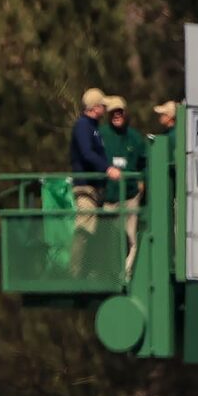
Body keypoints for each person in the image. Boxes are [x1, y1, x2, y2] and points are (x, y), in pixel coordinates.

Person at [69, 87, 119, 268]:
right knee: (84, 229)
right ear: (95, 107)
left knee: (96, 232)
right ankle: (74, 273)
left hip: (96, 189)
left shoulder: (94, 127)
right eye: (103, 106)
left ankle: (90, 271)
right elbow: (87, 153)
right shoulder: (83, 126)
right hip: (85, 188)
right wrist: (107, 168)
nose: (105, 109)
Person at [102, 96, 151, 272]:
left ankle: (127, 273)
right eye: (113, 112)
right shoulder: (101, 134)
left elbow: (145, 163)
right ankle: (109, 273)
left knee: (131, 239)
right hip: (108, 197)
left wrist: (143, 182)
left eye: (120, 111)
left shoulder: (135, 138)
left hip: (130, 196)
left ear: (125, 113)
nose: (117, 115)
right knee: (108, 238)